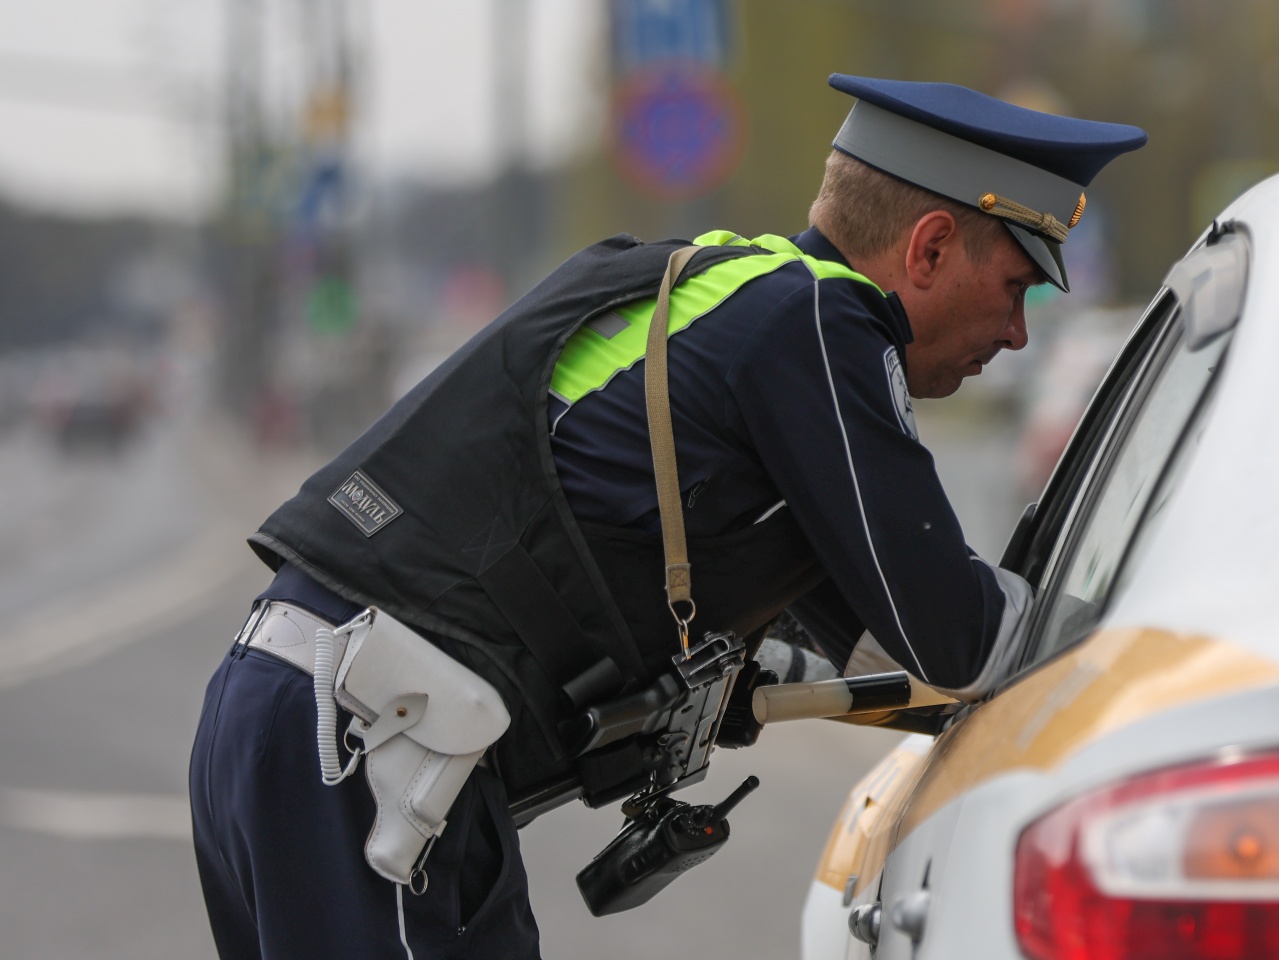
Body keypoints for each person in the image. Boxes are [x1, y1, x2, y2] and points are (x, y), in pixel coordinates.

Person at [188, 74, 1145, 959]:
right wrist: (1134, 642)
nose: (1020, 332)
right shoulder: (816, 324)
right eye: (1017, 287)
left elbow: (877, 653)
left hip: (313, 722)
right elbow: (959, 637)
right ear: (931, 247)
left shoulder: (720, 292)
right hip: (365, 740)